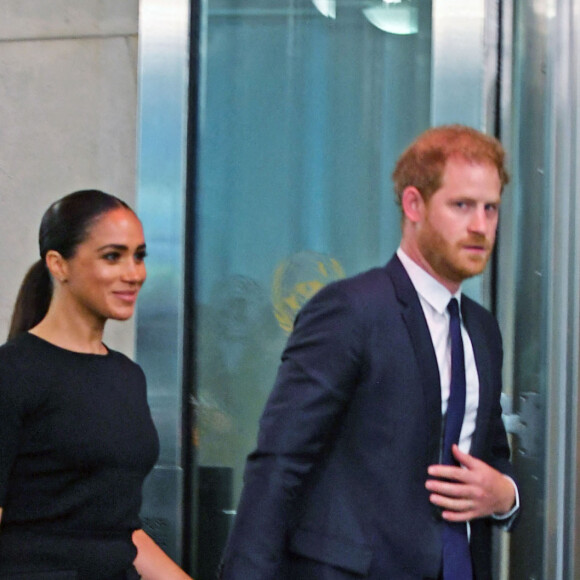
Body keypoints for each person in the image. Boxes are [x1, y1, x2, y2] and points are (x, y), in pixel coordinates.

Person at [218, 125, 520, 579]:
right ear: (413, 204)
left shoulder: (481, 329)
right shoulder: (350, 310)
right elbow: (281, 460)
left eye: (490, 208)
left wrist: (505, 496)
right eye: (461, 206)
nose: (480, 225)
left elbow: (491, 454)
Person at [0, 190, 192, 579]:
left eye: (139, 256)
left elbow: (119, 531)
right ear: (59, 264)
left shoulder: (128, 376)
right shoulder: (13, 372)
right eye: (112, 256)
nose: (133, 273)